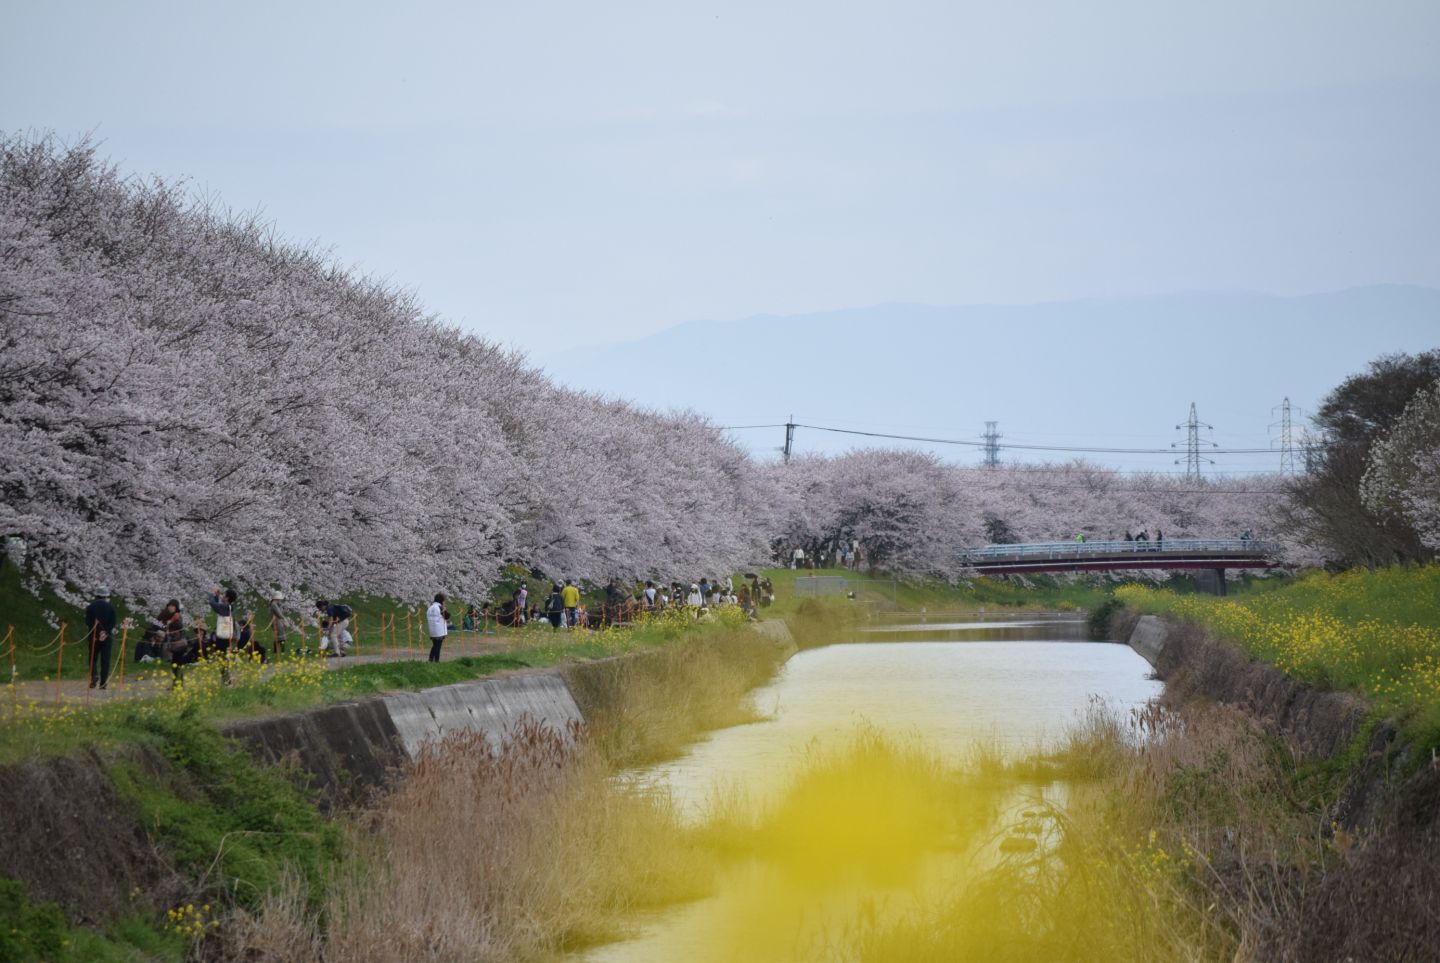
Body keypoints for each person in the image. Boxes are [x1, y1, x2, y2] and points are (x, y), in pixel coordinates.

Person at [84, 585, 118, 689]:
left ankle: (94, 676)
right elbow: (113, 622)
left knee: (92, 658)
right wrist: (105, 632)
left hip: (93, 636)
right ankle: (103, 683)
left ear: (96, 595)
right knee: (105, 660)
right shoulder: (110, 607)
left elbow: (88, 622)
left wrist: (96, 632)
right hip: (107, 637)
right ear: (106, 596)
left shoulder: (91, 607)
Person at [268, 591, 294, 656]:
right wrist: (285, 619)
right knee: (280, 637)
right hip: (276, 622)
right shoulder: (273, 604)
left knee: (281, 637)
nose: (280, 600)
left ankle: (281, 651)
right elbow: (279, 614)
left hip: (279, 622)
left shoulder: (276, 604)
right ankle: (278, 652)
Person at [426, 593, 448, 663]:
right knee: (438, 646)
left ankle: (430, 659)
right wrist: (444, 609)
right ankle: (436, 661)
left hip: (432, 630)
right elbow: (447, 616)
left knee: (435, 645)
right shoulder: (440, 607)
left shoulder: (430, 607)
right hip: (439, 630)